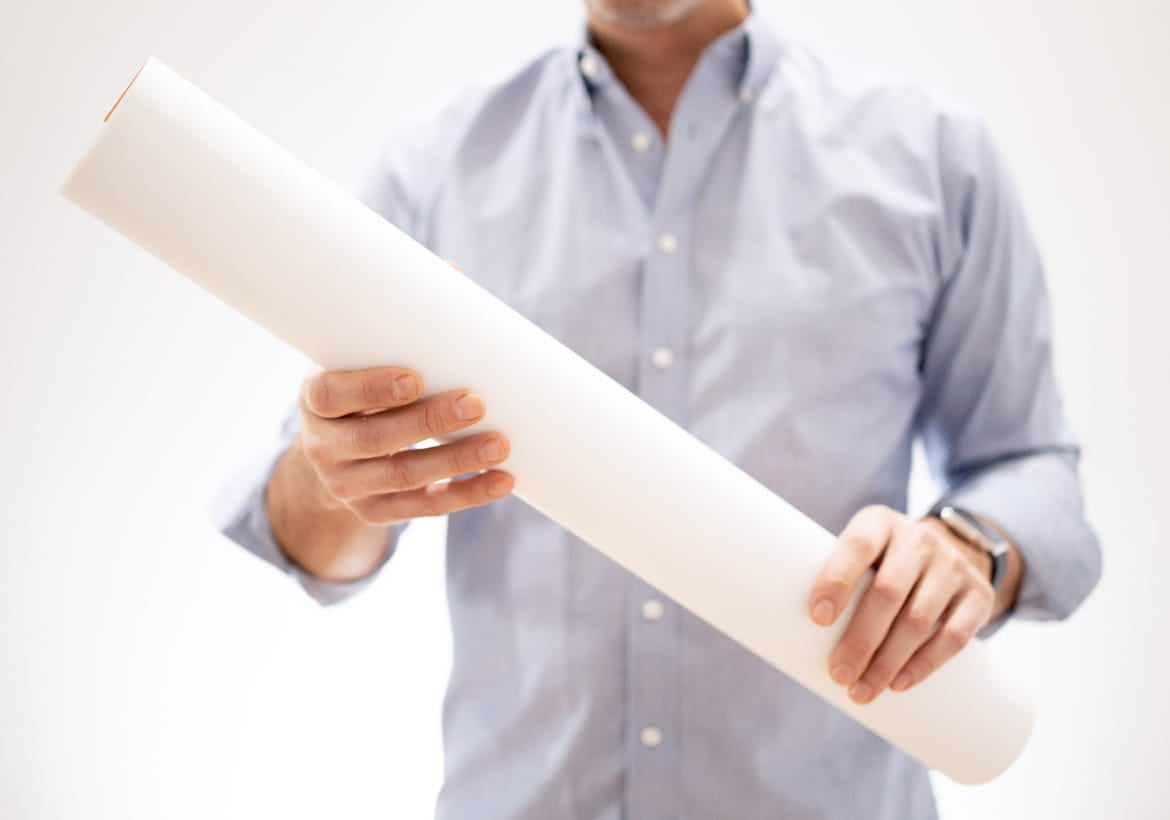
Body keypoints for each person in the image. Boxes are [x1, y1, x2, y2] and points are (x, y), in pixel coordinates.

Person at [216, 0, 1102, 816]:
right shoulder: (433, 169)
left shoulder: (937, 158)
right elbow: (313, 537)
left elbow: (1030, 467)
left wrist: (971, 546)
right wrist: (334, 473)